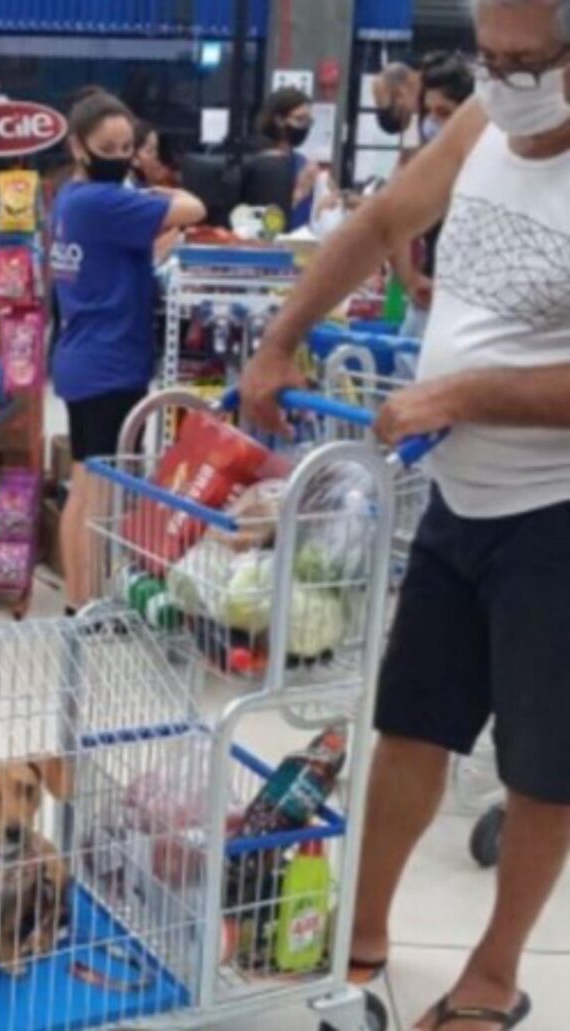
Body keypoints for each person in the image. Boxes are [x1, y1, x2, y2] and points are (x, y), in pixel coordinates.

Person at [241, 0, 570, 1027]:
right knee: (411, 726)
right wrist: (277, 340)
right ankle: (363, 930)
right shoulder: (482, 122)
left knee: (543, 765)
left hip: (556, 514)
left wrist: (461, 394)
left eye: (530, 60)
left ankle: (492, 973)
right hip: (458, 497)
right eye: (491, 55)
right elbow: (382, 222)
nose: (506, 76)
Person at [50, 92, 205, 615]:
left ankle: (80, 599)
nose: (121, 156)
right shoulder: (101, 201)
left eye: (127, 146)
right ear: (78, 146)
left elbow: (111, 258)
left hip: (82, 356)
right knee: (96, 492)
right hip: (107, 363)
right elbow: (193, 207)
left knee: (84, 484)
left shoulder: (70, 199)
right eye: (108, 147)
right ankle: (86, 605)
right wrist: (154, 192)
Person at [394, 52, 476, 338]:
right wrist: (410, 279)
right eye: (427, 112)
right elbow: (393, 222)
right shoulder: (425, 166)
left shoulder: (487, 167)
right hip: (428, 307)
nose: (432, 123)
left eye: (444, 113)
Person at [255, 87, 319, 230]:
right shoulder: (263, 160)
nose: (305, 126)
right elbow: (265, 220)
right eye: (299, 119)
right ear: (279, 120)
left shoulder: (299, 160)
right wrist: (300, 191)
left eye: (308, 120)